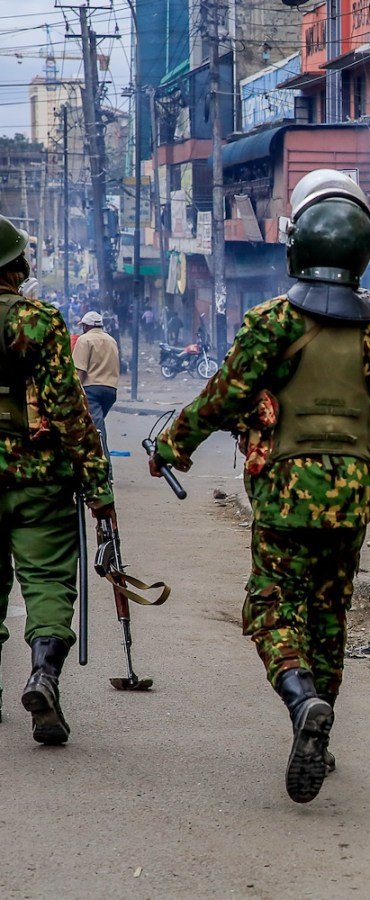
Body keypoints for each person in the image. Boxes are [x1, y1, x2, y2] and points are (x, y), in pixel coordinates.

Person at [148, 170, 370, 804]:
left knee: (272, 605)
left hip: (287, 490)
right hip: (353, 495)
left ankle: (302, 705)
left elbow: (222, 397)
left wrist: (171, 446)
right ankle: (323, 727)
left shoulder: (271, 323)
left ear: (300, 247)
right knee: (329, 613)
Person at [0, 214, 114, 743]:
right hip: (41, 479)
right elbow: (70, 411)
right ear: (17, 265)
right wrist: (98, 485)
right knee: (47, 584)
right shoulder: (40, 321)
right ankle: (44, 674)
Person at [72, 309, 120, 459]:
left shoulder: (84, 340)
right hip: (110, 390)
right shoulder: (111, 340)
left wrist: (74, 393)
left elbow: (80, 370)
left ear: (86, 326)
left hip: (91, 390)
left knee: (97, 433)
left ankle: (106, 473)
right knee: (91, 427)